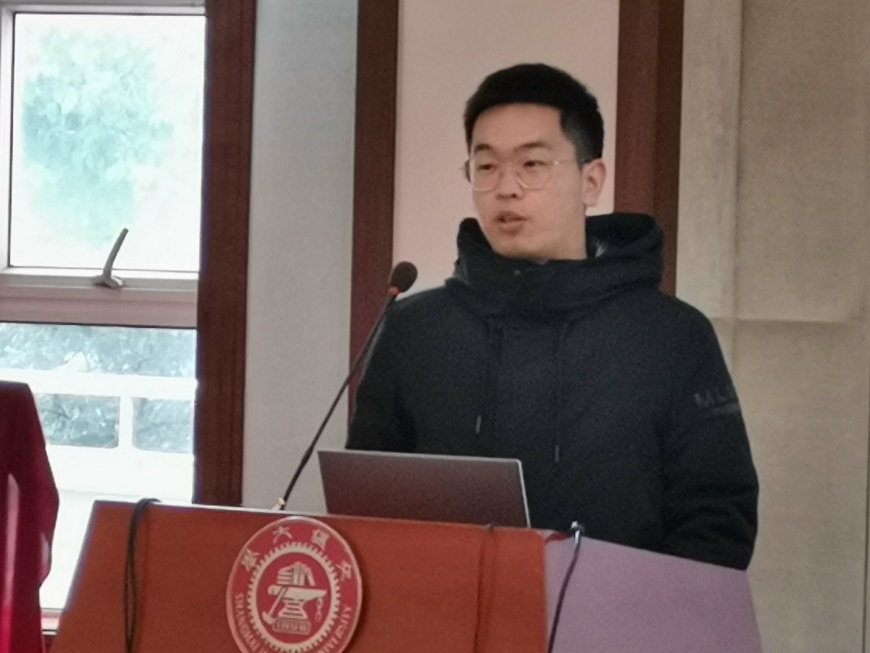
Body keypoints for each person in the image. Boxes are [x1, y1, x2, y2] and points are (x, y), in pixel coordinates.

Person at [347, 63, 758, 570]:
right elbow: (365, 508)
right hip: (443, 612)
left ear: (591, 181)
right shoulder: (415, 330)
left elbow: (717, 521)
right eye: (486, 166)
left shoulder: (672, 336)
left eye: (532, 164)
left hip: (621, 617)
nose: (506, 188)